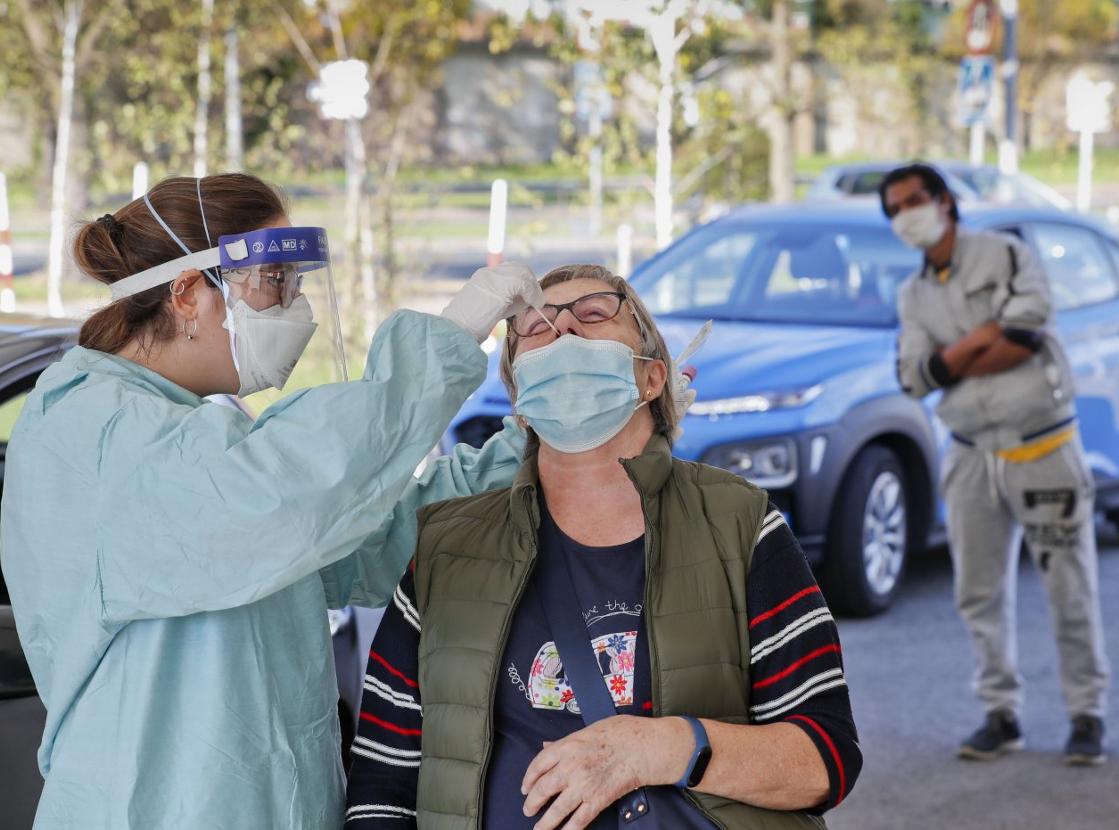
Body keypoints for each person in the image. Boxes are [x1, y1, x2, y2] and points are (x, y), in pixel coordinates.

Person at [0, 173, 549, 829]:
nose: (294, 305)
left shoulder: (190, 434)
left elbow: (367, 539)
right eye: (274, 281)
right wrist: (449, 341)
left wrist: (536, 450)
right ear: (185, 293)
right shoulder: (96, 429)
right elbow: (286, 496)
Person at [344, 264, 861, 829]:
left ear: (652, 378)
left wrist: (661, 748)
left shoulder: (740, 525)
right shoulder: (444, 548)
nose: (563, 331)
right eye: (536, 328)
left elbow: (825, 760)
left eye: (592, 314)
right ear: (519, 401)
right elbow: (383, 783)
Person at [880, 163, 1110, 765]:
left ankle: (1087, 715)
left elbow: (1025, 335)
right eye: (895, 208)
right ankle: (1000, 713)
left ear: (945, 201)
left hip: (1042, 447)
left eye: (914, 201)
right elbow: (914, 376)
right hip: (970, 453)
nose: (907, 215)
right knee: (977, 592)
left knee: (1070, 587)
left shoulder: (1005, 255)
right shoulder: (914, 294)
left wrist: (951, 359)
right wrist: (979, 339)